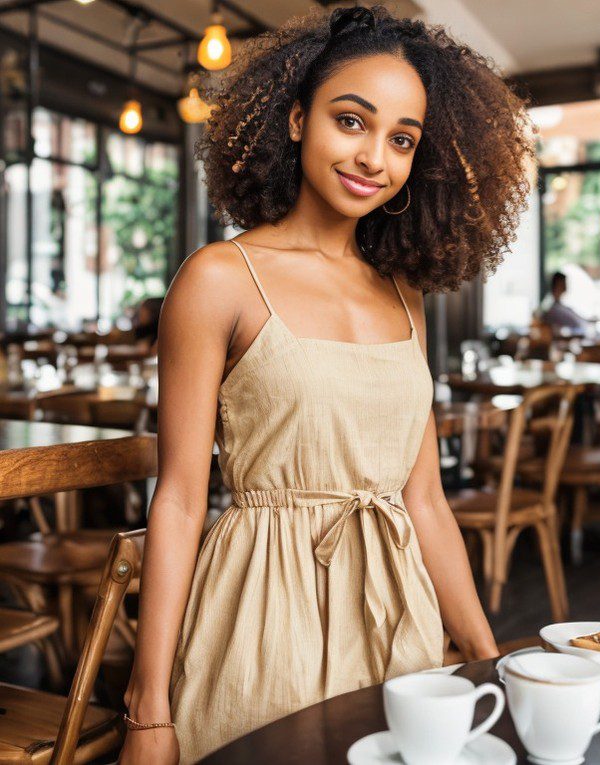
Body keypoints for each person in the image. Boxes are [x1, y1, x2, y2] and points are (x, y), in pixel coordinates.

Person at [119, 6, 535, 763]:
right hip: (260, 612)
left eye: (402, 139)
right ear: (295, 119)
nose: (375, 157)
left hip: (394, 616)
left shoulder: (405, 294)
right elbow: (178, 499)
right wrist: (148, 709)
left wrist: (486, 658)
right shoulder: (219, 279)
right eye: (352, 121)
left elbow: (425, 502)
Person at [539, 271, 589, 337]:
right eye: (564, 282)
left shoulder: (561, 307)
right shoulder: (554, 310)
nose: (566, 285)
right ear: (558, 284)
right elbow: (578, 324)